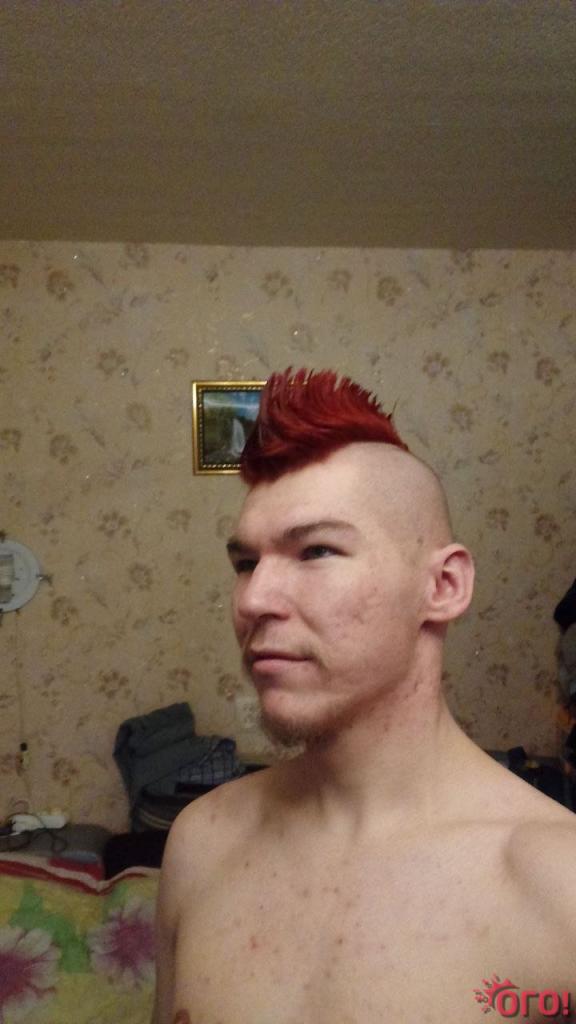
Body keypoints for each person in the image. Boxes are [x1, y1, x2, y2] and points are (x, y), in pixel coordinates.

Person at [153, 368, 576, 1024]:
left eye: (316, 551)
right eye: (245, 563)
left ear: (443, 587)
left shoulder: (557, 883)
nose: (253, 599)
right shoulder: (201, 843)